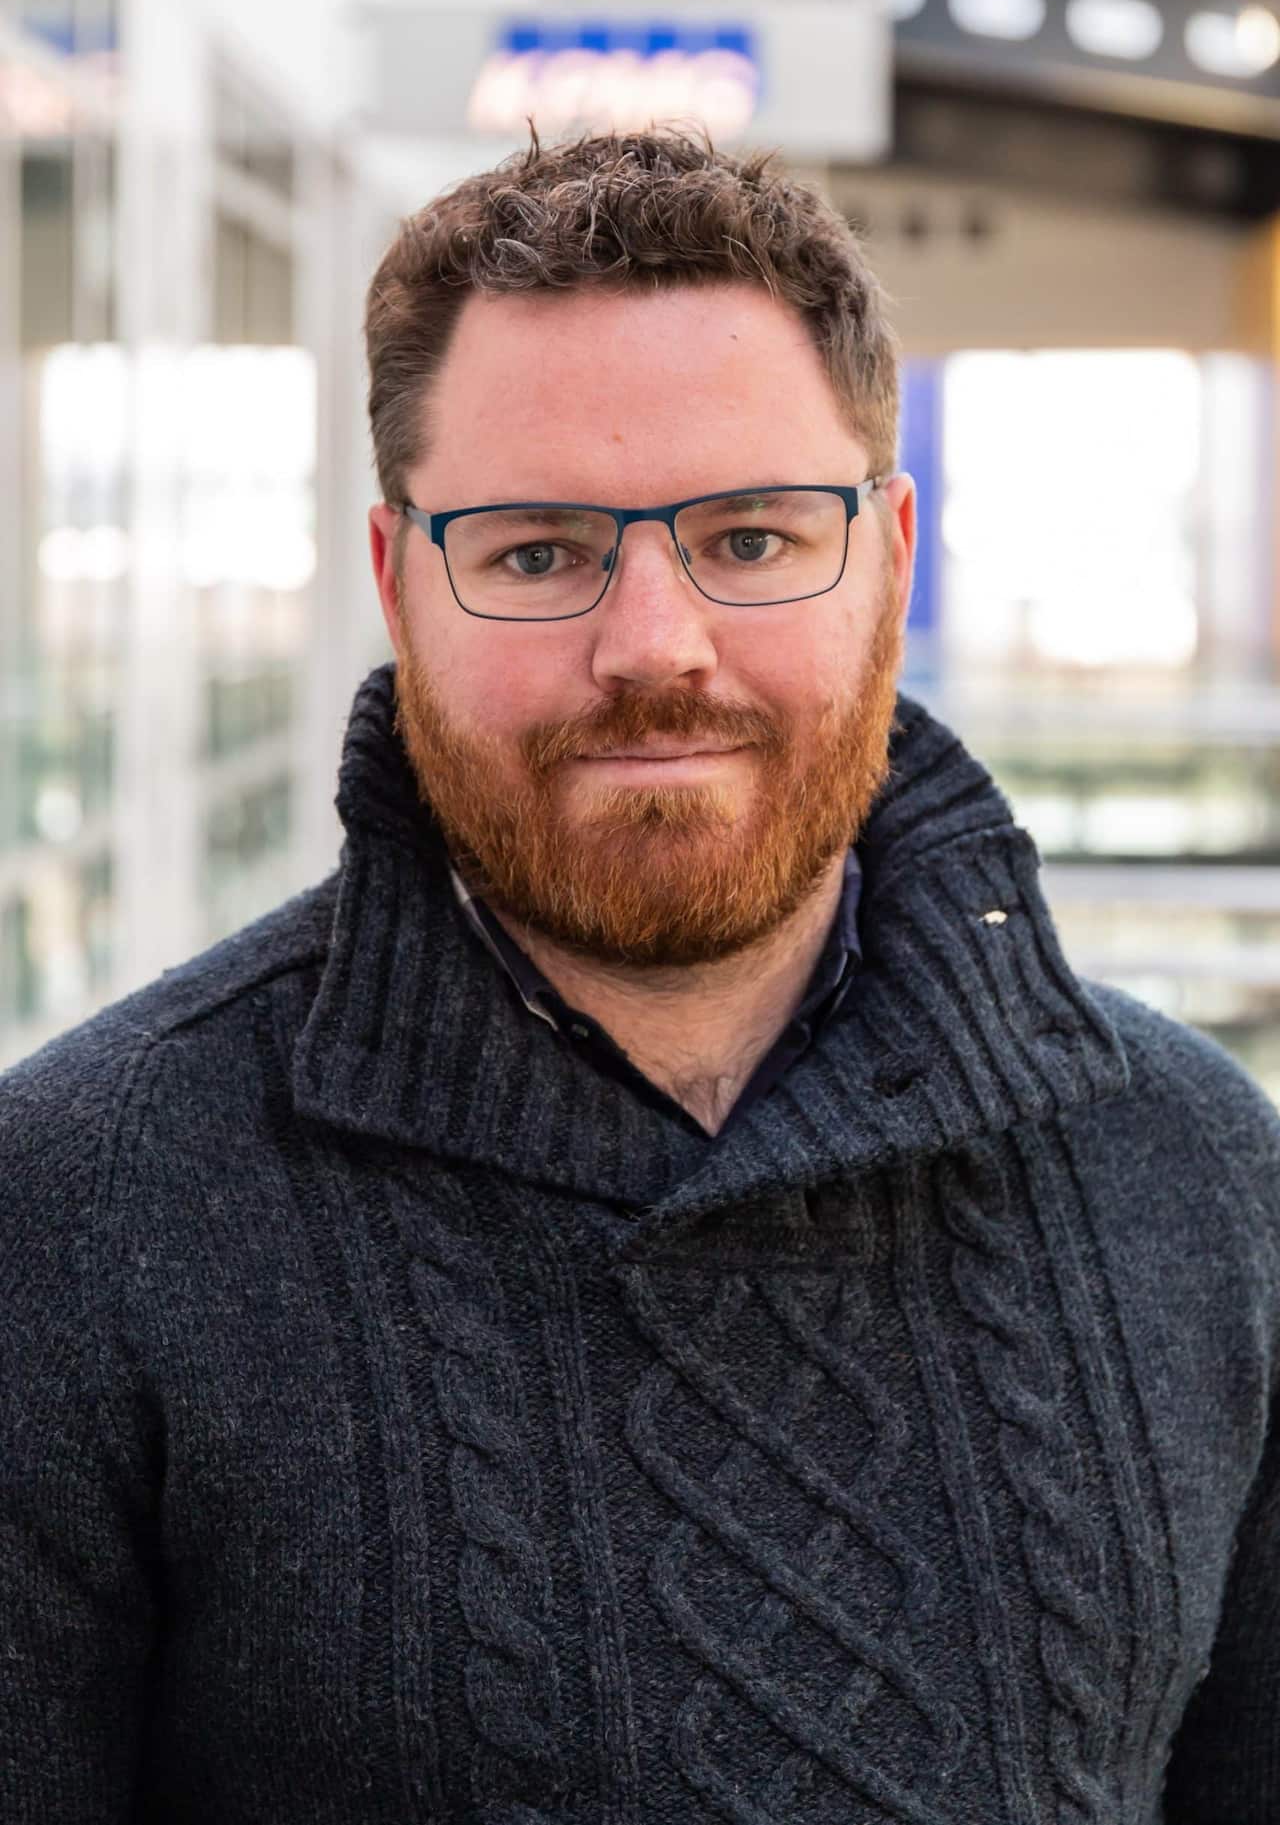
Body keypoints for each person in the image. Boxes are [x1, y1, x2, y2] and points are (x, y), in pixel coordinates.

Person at [2, 128, 1278, 1825]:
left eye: (752, 538)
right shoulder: (78, 1205)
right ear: (399, 583)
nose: (656, 645)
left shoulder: (1205, 1179)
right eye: (537, 551)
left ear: (893, 558)